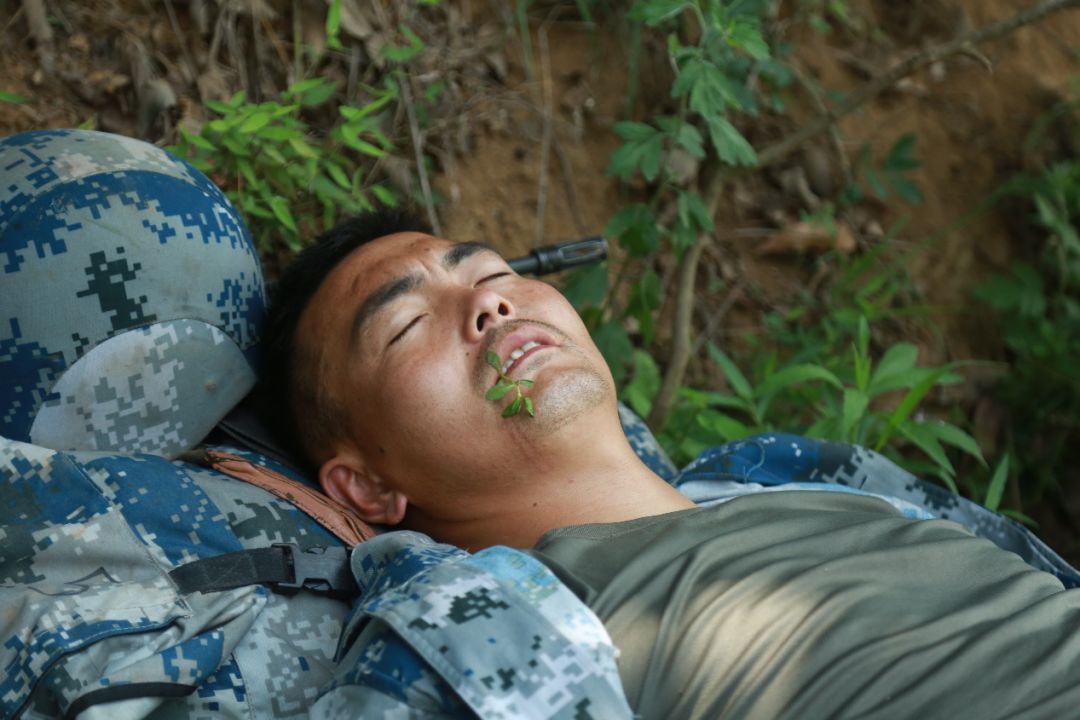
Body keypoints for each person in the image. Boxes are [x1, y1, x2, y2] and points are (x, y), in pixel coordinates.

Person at [263, 210, 1080, 719]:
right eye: (407, 325)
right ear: (367, 485)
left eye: (493, 272)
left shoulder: (791, 471)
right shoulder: (470, 634)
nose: (489, 302)